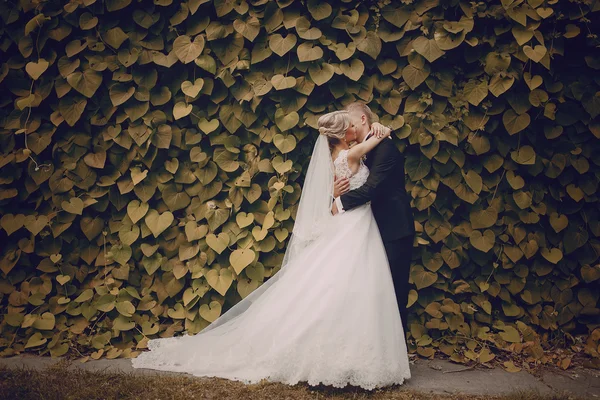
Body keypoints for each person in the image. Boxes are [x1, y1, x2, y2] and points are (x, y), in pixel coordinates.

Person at [131, 110, 411, 390]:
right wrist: (382, 129)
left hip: (356, 224)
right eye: (348, 126)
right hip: (354, 225)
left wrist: (338, 196)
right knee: (349, 287)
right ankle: (345, 354)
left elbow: (345, 183)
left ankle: (353, 351)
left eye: (354, 123)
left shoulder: (337, 156)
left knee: (345, 288)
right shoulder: (351, 154)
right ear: (341, 134)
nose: (352, 128)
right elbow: (374, 147)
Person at [332, 102, 415, 333]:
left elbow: (372, 188)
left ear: (362, 120)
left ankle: (398, 354)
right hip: (370, 230)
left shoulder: (385, 148)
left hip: (394, 228)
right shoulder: (364, 148)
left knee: (395, 292)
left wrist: (338, 203)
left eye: (349, 123)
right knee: (373, 292)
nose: (347, 129)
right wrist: (336, 192)